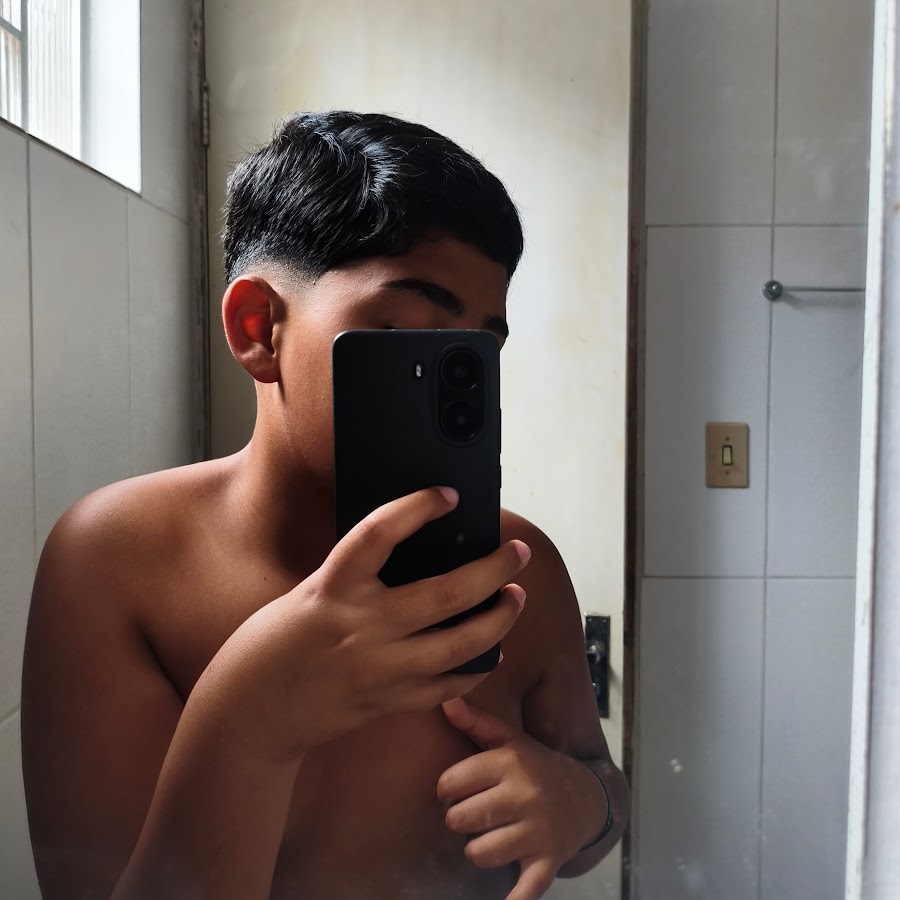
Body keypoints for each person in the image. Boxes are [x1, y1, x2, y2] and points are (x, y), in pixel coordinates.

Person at [21, 111, 629, 900]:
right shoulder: (118, 561)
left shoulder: (517, 571)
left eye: (475, 353)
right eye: (403, 334)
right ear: (258, 328)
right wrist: (248, 722)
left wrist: (582, 803)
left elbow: (598, 785)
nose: (448, 382)